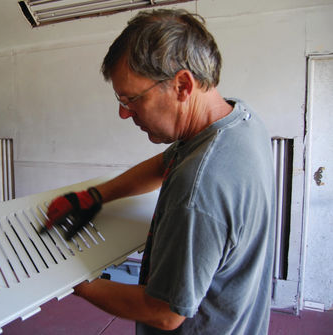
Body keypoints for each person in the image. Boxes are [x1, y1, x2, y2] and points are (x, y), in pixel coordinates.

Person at [44, 9, 276, 334]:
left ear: (182, 85)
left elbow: (164, 312)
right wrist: (94, 196)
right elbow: (161, 164)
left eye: (131, 99)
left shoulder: (199, 185)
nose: (124, 113)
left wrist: (72, 282)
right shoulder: (238, 121)